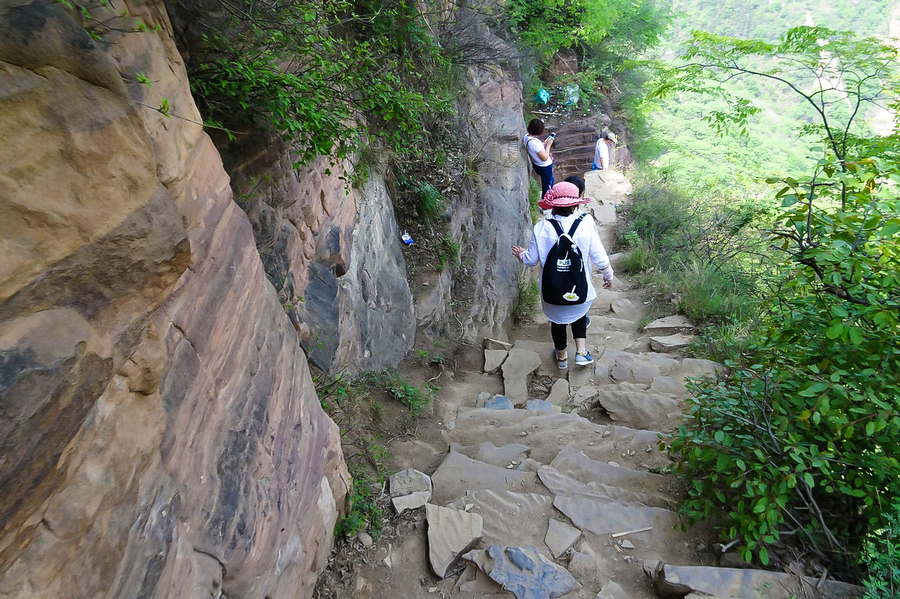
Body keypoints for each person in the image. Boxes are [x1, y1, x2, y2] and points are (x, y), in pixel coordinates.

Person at [511, 182, 614, 369]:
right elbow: (599, 257)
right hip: (580, 285)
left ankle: (561, 357)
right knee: (579, 313)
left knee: (557, 321)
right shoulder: (586, 224)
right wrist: (608, 275)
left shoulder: (541, 227)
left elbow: (531, 260)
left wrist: (521, 254)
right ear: (576, 204)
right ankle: (581, 352)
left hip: (552, 289)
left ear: (553, 205)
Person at [524, 118, 555, 198]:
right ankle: (546, 203)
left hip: (537, 165)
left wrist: (543, 144)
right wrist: (548, 145)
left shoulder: (526, 137)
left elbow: (536, 150)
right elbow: (544, 158)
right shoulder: (535, 143)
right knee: (547, 186)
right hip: (544, 167)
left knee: (551, 180)